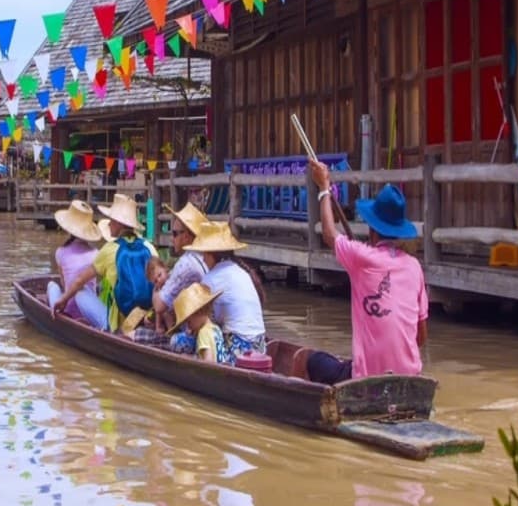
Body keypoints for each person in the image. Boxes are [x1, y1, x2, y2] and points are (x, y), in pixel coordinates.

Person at [294, 160, 429, 385]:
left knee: (305, 359)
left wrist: (324, 189)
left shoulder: (362, 258)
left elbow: (329, 234)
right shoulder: (414, 266)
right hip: (410, 377)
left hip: (366, 380)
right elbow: (421, 336)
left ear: (372, 229)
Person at [52, 193, 156, 331]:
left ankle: (108, 329)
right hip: (145, 318)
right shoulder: (149, 247)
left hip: (118, 325)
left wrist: (63, 300)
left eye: (111, 220)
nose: (109, 224)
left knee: (80, 291)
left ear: (119, 223)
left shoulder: (110, 249)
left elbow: (79, 281)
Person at [178, 221, 267, 362]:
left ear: (211, 255)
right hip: (261, 346)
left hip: (239, 349)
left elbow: (207, 321)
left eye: (204, 254)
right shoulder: (240, 271)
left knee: (179, 341)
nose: (203, 259)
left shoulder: (211, 279)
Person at [46, 200, 107, 329]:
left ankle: (53, 310)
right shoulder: (96, 253)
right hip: (88, 312)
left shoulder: (60, 252)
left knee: (52, 285)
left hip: (68, 308)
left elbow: (64, 284)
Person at [152, 202, 209, 333]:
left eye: (174, 234)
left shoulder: (186, 263)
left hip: (192, 330)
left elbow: (159, 306)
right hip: (203, 323)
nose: (172, 239)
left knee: (135, 334)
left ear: (186, 236)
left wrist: (155, 289)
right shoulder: (204, 256)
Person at [167, 283, 231, 364]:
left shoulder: (203, 333)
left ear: (198, 312)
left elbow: (208, 362)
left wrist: (188, 359)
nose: (188, 326)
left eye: (189, 322)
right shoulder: (216, 328)